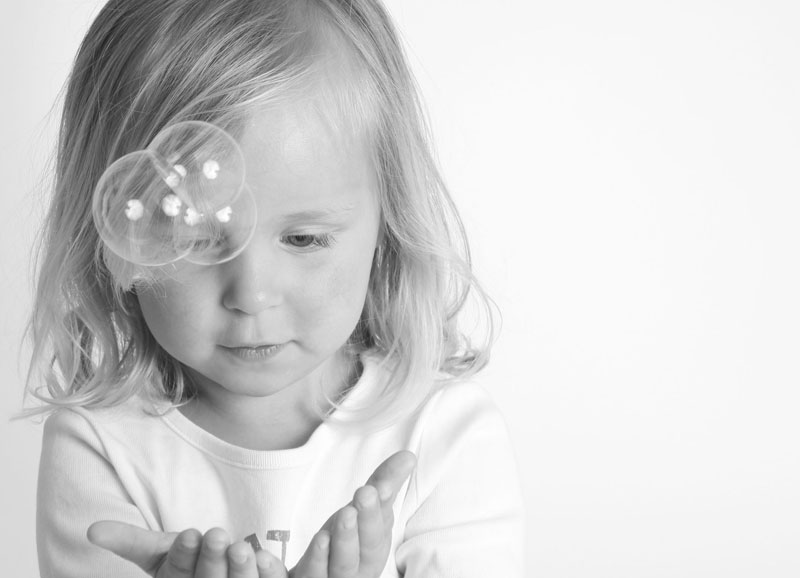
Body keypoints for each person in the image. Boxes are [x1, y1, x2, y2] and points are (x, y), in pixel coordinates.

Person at [26, 0, 524, 576]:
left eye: (305, 239)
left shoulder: (444, 437)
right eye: (197, 236)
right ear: (118, 230)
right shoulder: (100, 446)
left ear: (388, 224)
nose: (252, 294)